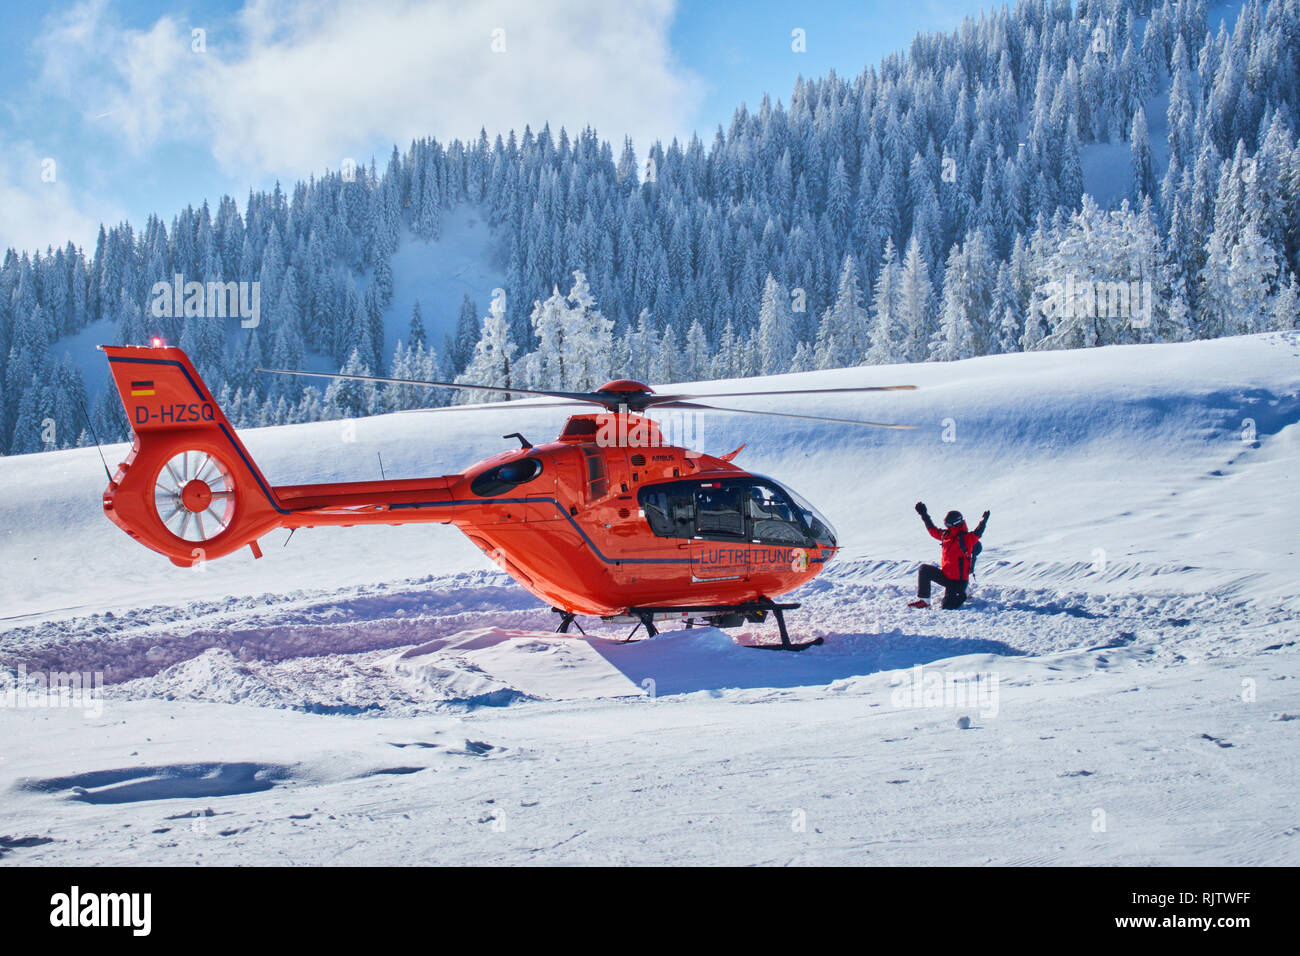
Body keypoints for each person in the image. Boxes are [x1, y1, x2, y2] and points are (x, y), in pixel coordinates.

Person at [908, 502, 989, 609]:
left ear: (954, 524)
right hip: (946, 576)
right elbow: (932, 530)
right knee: (924, 569)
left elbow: (978, 533)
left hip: (958, 582)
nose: (946, 527)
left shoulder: (966, 539)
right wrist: (924, 514)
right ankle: (924, 601)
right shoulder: (946, 535)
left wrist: (983, 521)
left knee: (947, 606)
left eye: (948, 525)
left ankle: (964, 592)